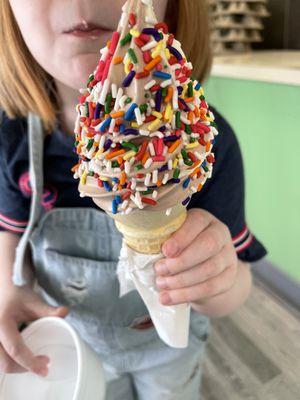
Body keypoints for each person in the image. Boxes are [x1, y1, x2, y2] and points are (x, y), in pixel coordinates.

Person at [0, 0, 267, 398]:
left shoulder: (205, 143)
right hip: (79, 346)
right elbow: (9, 239)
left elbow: (236, 284)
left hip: (167, 353)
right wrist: (7, 290)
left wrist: (216, 280)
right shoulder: (14, 144)